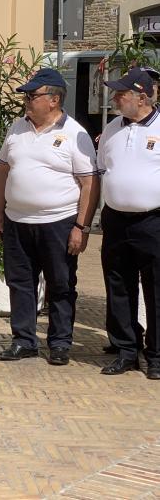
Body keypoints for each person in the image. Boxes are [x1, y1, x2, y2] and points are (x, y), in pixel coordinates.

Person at [0, 68, 99, 366]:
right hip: (17, 222)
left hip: (59, 223)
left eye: (32, 95)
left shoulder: (75, 134)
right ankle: (24, 340)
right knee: (20, 283)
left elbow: (90, 182)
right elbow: (2, 170)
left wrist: (82, 226)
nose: (26, 101)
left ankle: (61, 343)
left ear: (54, 99)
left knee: (61, 284)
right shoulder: (17, 128)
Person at [96, 67, 160, 379]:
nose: (115, 98)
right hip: (116, 220)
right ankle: (125, 350)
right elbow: (101, 170)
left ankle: (157, 356)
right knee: (118, 285)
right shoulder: (111, 129)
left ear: (143, 96)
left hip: (154, 221)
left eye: (121, 93)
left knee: (157, 289)